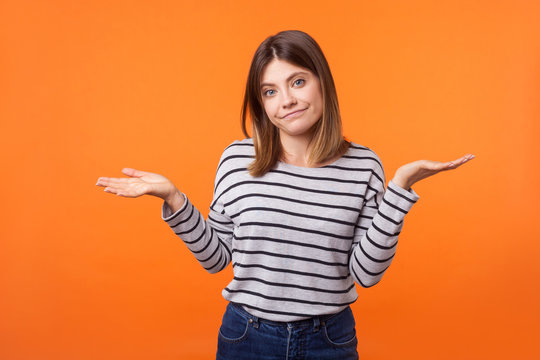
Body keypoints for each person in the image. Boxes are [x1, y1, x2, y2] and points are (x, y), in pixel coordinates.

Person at [96, 30, 474, 360]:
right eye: (270, 91)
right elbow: (217, 260)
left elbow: (366, 273)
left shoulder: (364, 165)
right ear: (262, 103)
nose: (286, 100)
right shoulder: (237, 158)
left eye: (298, 82)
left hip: (330, 339)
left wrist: (399, 190)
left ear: (321, 81)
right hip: (247, 337)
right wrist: (175, 199)